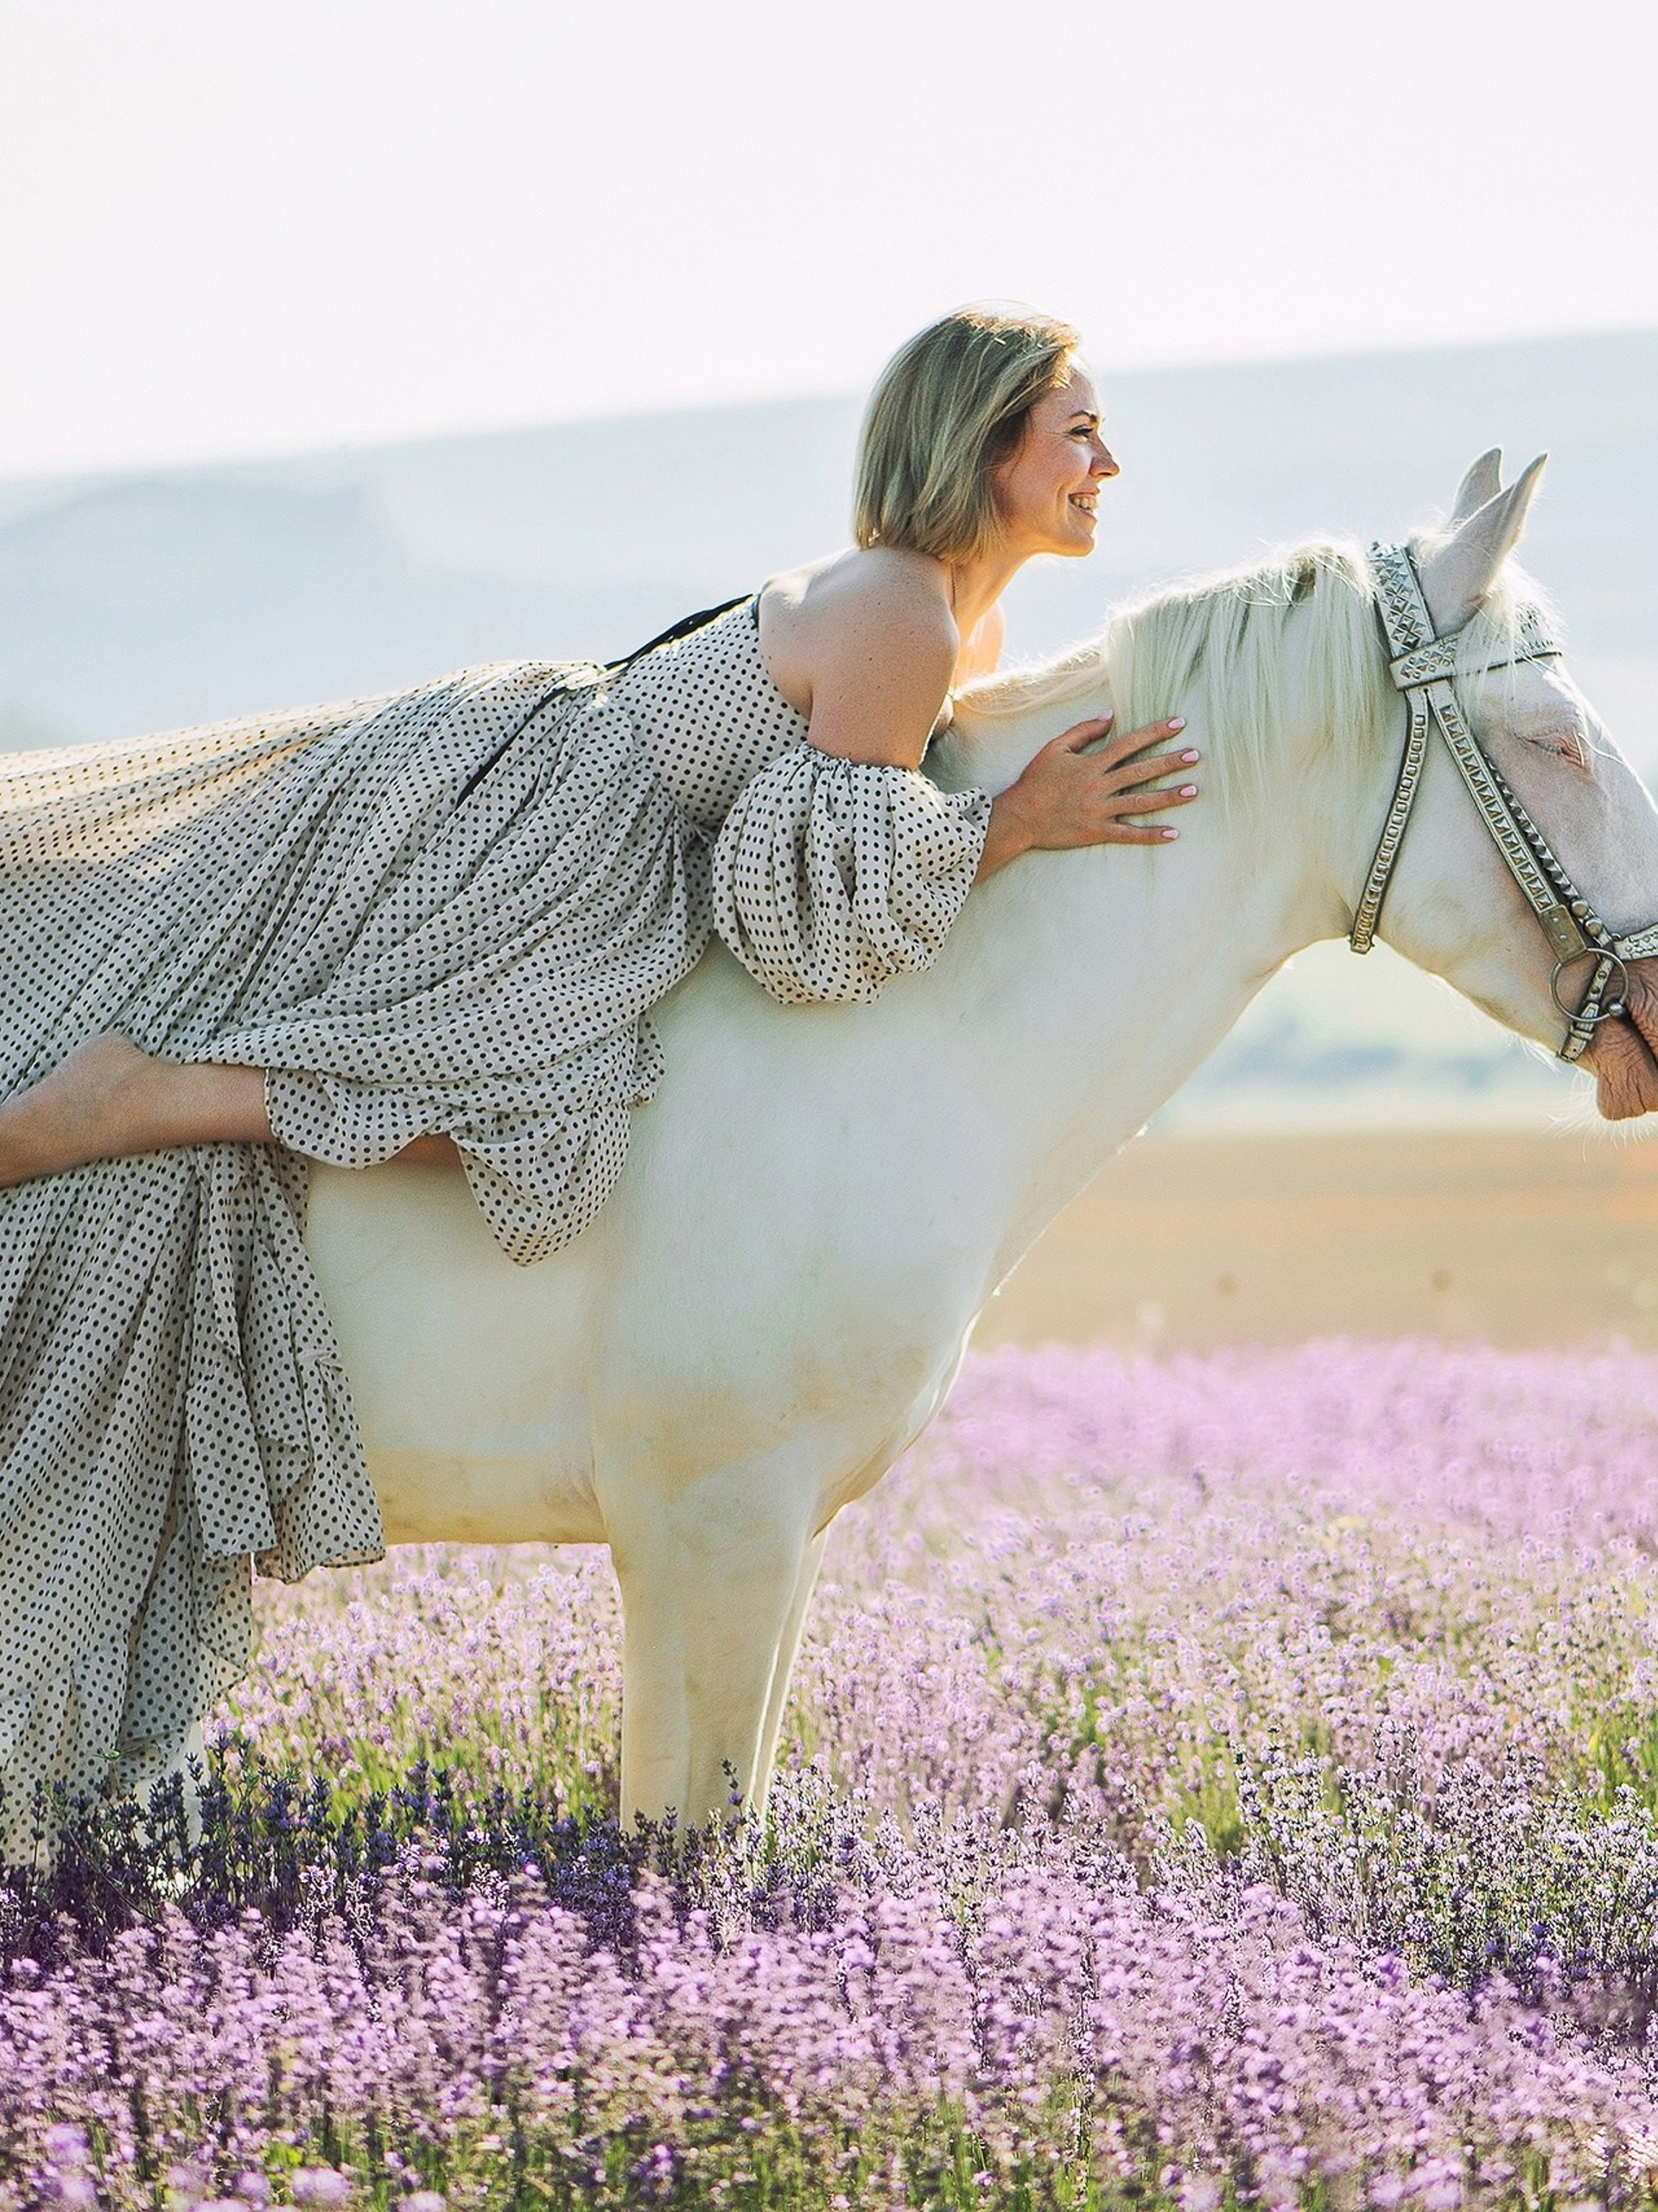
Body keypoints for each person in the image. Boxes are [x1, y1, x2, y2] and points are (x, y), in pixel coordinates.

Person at [0, 303, 1199, 1833]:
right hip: (568, 824)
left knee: (507, 1104)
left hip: (567, 793)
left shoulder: (959, 621)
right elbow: (800, 904)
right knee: (525, 1110)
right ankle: (143, 1097)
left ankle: (162, 1087)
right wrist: (1015, 824)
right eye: (1077, 429)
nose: (1109, 460)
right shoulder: (902, 613)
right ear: (989, 446)